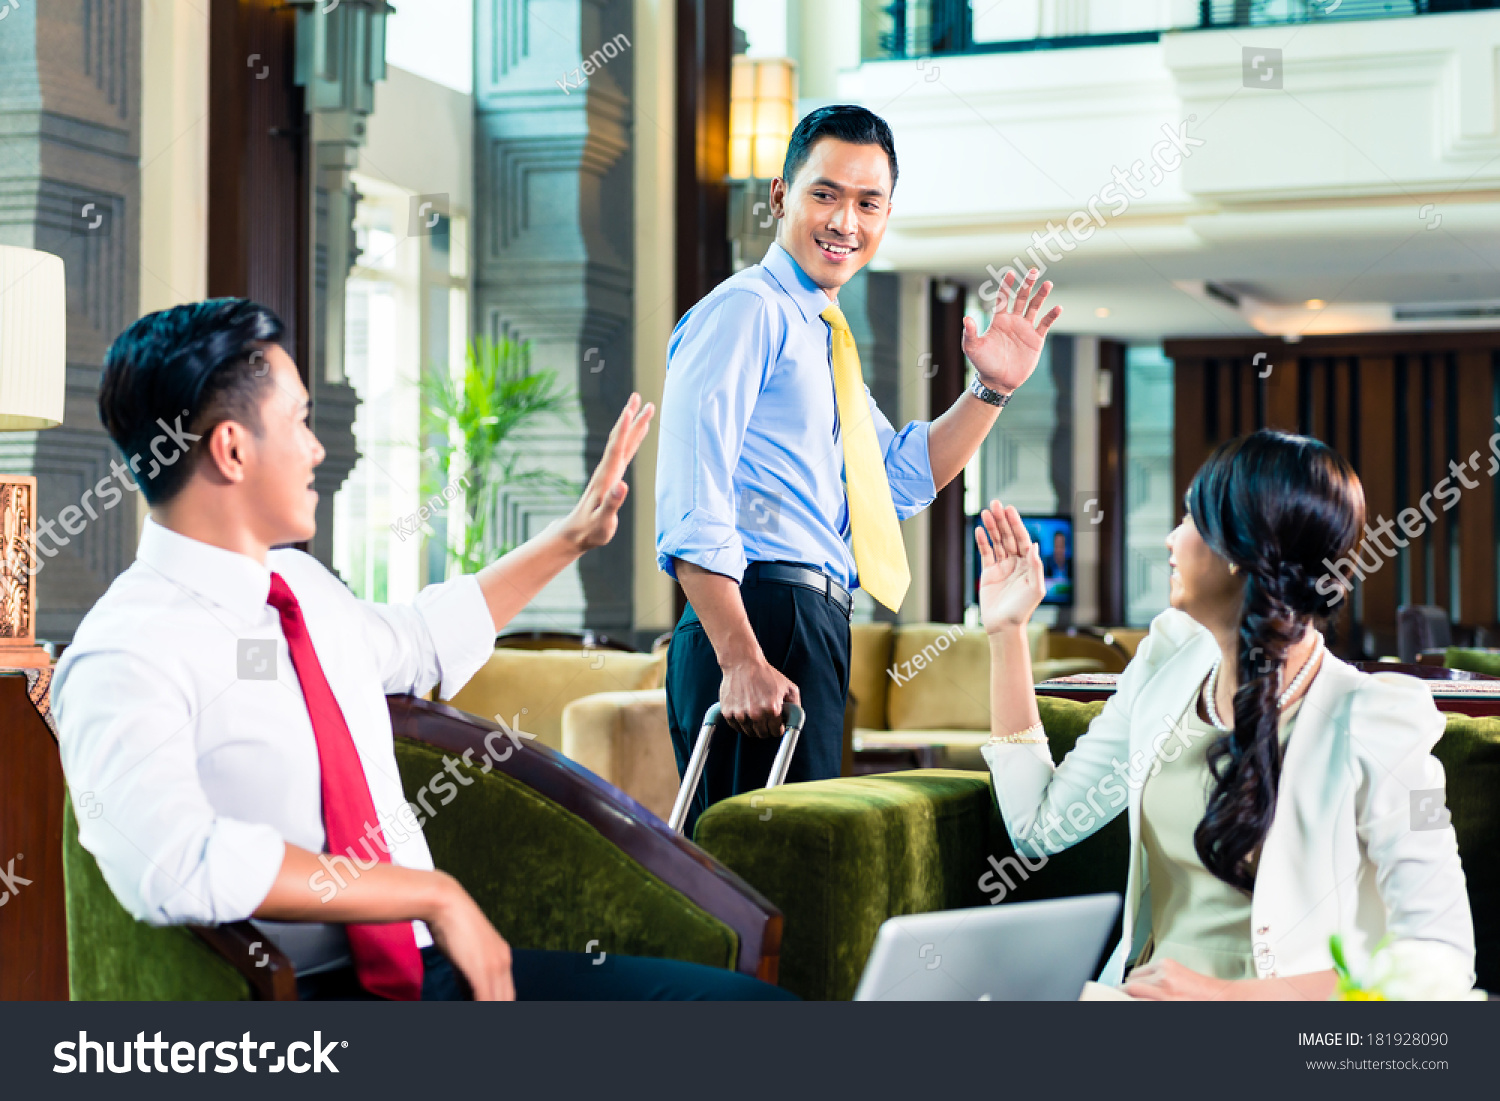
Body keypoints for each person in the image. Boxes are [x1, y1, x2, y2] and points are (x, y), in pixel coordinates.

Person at [53, 299, 793, 1002]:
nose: (318, 449)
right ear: (232, 447)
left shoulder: (301, 590)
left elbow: (424, 637)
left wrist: (572, 537)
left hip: (427, 974)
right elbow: (176, 863)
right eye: (301, 422)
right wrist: (429, 892)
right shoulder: (126, 652)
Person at [656, 105, 1061, 831]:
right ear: (781, 196)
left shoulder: (819, 332)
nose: (846, 220)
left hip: (811, 620)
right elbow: (693, 497)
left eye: (867, 203)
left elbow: (898, 477)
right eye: (826, 195)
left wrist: (991, 389)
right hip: (759, 616)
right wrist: (740, 654)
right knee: (754, 891)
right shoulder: (747, 311)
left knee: (798, 889)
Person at [974, 429, 1476, 999]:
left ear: (1239, 552)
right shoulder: (1168, 662)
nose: (1169, 539)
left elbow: (1441, 956)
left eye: (1189, 520)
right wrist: (1007, 632)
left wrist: (1227, 999)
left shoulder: (1379, 720)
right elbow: (1041, 827)